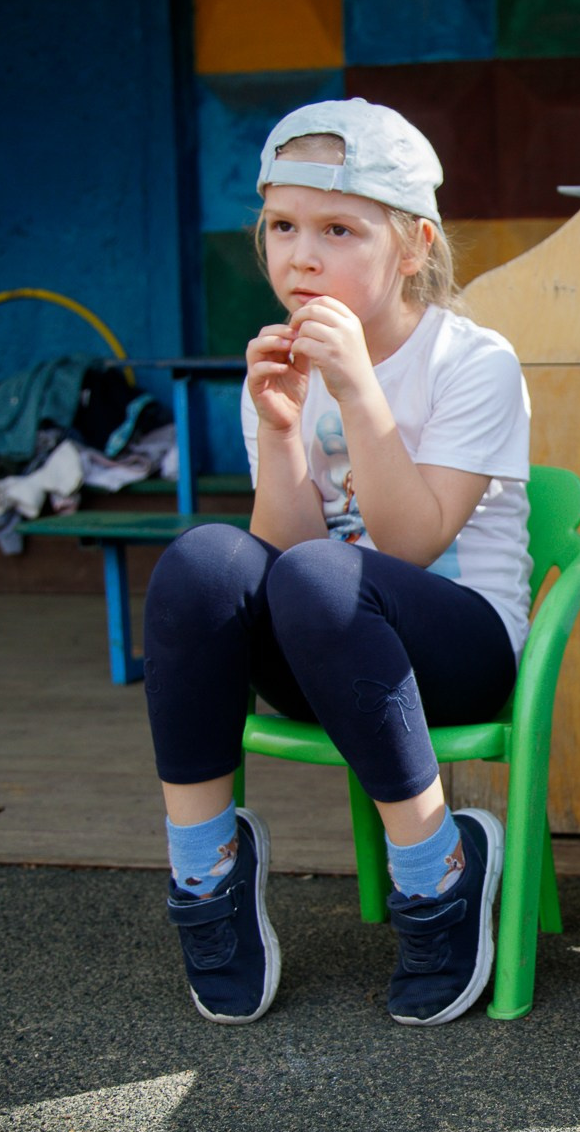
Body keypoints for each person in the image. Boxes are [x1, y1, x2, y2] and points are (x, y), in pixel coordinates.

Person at [141, 99, 532, 1028]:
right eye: (282, 226)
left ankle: (437, 872)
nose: (300, 255)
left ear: (412, 244)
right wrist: (280, 432)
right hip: (328, 643)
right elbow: (272, 558)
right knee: (202, 562)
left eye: (337, 229)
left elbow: (410, 545)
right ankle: (206, 872)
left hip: (459, 645)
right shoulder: (281, 360)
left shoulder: (472, 361)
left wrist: (357, 388)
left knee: (324, 575)